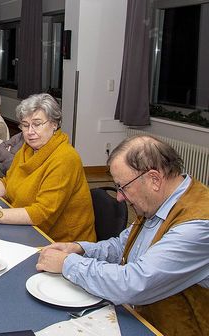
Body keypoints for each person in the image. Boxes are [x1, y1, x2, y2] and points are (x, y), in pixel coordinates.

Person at [36, 135, 209, 336]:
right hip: (139, 318)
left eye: (122, 186)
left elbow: (134, 283)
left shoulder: (197, 226)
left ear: (154, 179)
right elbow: (123, 246)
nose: (119, 196)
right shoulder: (160, 202)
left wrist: (68, 263)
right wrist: (80, 248)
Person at [0, 93, 96, 242]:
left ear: (54, 124)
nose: (30, 132)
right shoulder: (27, 149)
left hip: (60, 242)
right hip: (27, 229)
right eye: (25, 125)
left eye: (37, 124)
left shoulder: (65, 158)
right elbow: (7, 184)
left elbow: (41, 214)